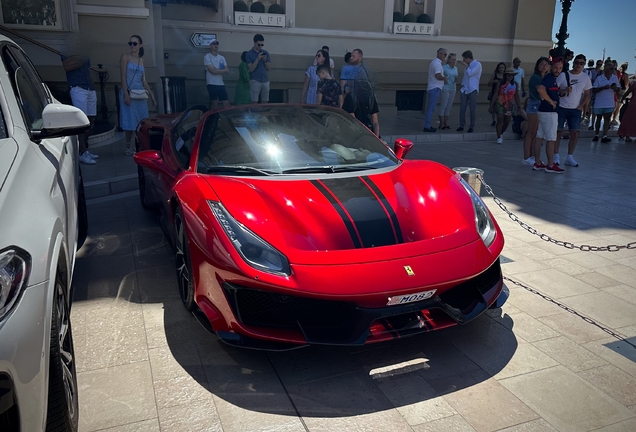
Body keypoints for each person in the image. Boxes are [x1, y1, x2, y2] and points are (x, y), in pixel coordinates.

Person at [120, 34, 156, 155]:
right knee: (129, 121)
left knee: (141, 121)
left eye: (135, 43)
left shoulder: (141, 60)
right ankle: (128, 146)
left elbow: (143, 80)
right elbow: (123, 77)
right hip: (130, 92)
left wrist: (152, 96)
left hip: (140, 93)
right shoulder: (125, 57)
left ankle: (139, 144)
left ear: (140, 45)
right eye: (130, 43)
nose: (132, 46)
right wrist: (126, 94)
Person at [554, 54, 592, 167]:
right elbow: (554, 89)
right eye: (577, 62)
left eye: (581, 63)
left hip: (575, 109)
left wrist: (581, 106)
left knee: (575, 132)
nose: (578, 65)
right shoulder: (563, 75)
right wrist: (565, 90)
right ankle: (556, 155)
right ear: (573, 63)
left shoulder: (585, 77)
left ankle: (570, 156)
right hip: (562, 107)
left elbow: (587, 94)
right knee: (558, 131)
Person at [62, 54, 99, 165]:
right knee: (82, 122)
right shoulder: (67, 49)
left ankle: (85, 150)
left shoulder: (85, 49)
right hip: (78, 87)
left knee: (91, 120)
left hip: (89, 88)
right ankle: (81, 152)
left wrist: (92, 85)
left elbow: (87, 69)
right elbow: (66, 67)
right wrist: (80, 60)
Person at [535, 57, 564, 173]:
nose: (558, 70)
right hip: (549, 112)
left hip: (543, 111)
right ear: (551, 67)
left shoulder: (551, 79)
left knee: (540, 136)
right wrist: (551, 101)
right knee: (551, 138)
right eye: (556, 67)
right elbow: (541, 89)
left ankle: (537, 163)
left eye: (560, 68)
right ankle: (550, 164)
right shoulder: (549, 79)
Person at [342, 49, 380, 137]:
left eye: (353, 56)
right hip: (368, 135)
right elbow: (375, 122)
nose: (351, 58)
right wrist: (377, 139)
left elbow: (353, 122)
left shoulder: (352, 97)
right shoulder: (370, 96)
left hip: (359, 136)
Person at [523, 56, 550, 166]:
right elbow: (541, 91)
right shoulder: (536, 77)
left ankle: (533, 156)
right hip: (535, 105)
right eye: (541, 64)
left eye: (546, 64)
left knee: (537, 133)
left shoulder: (545, 78)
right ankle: (526, 157)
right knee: (531, 132)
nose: (544, 66)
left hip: (540, 105)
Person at [489, 68, 521, 144]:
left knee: (507, 121)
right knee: (500, 120)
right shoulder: (500, 83)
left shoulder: (515, 84)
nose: (510, 77)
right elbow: (495, 94)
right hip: (500, 104)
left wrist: (519, 106)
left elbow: (516, 96)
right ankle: (498, 136)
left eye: (512, 75)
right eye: (509, 75)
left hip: (509, 105)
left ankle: (501, 132)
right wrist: (491, 105)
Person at [592, 61, 620, 143]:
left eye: (614, 68)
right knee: (598, 118)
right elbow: (593, 89)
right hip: (599, 102)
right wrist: (603, 88)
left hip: (609, 102)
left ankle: (605, 135)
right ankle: (596, 134)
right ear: (606, 69)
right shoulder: (599, 78)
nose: (613, 70)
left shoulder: (614, 78)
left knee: (607, 119)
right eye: (611, 68)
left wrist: (615, 88)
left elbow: (619, 89)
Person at [423, 48, 448, 132]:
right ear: (439, 54)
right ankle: (427, 126)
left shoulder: (435, 62)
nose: (445, 56)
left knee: (431, 107)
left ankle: (427, 125)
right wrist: (444, 78)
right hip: (435, 88)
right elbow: (437, 75)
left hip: (433, 87)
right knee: (431, 108)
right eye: (444, 54)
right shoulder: (437, 64)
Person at [457, 50, 482, 133]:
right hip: (465, 89)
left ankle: (471, 126)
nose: (464, 61)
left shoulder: (477, 64)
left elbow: (471, 73)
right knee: (462, 108)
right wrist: (462, 85)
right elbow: (466, 76)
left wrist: (466, 66)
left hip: (473, 89)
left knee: (472, 109)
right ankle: (461, 125)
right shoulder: (467, 66)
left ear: (468, 58)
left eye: (464, 59)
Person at [204, 39, 229, 109]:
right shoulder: (207, 56)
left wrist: (216, 69)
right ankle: (214, 118)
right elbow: (212, 71)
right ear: (210, 46)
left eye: (216, 44)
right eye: (214, 44)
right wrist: (221, 70)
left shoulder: (222, 57)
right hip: (211, 83)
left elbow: (227, 70)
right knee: (214, 104)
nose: (216, 45)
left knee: (226, 103)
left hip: (220, 83)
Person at [246, 34, 271, 103]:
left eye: (262, 45)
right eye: (258, 44)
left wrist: (265, 60)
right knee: (254, 102)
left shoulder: (265, 53)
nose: (260, 46)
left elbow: (269, 68)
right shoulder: (249, 54)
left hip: (265, 80)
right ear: (254, 43)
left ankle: (264, 114)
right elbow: (251, 69)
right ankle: (254, 114)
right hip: (255, 80)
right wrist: (257, 59)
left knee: (265, 102)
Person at [438, 53, 458, 130]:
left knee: (449, 106)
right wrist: (444, 79)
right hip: (446, 88)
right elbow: (441, 76)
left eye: (455, 59)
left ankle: (446, 123)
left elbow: (456, 77)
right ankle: (441, 124)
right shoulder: (444, 67)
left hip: (453, 88)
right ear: (449, 59)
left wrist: (456, 80)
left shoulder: (455, 68)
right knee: (444, 105)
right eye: (452, 59)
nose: (454, 61)